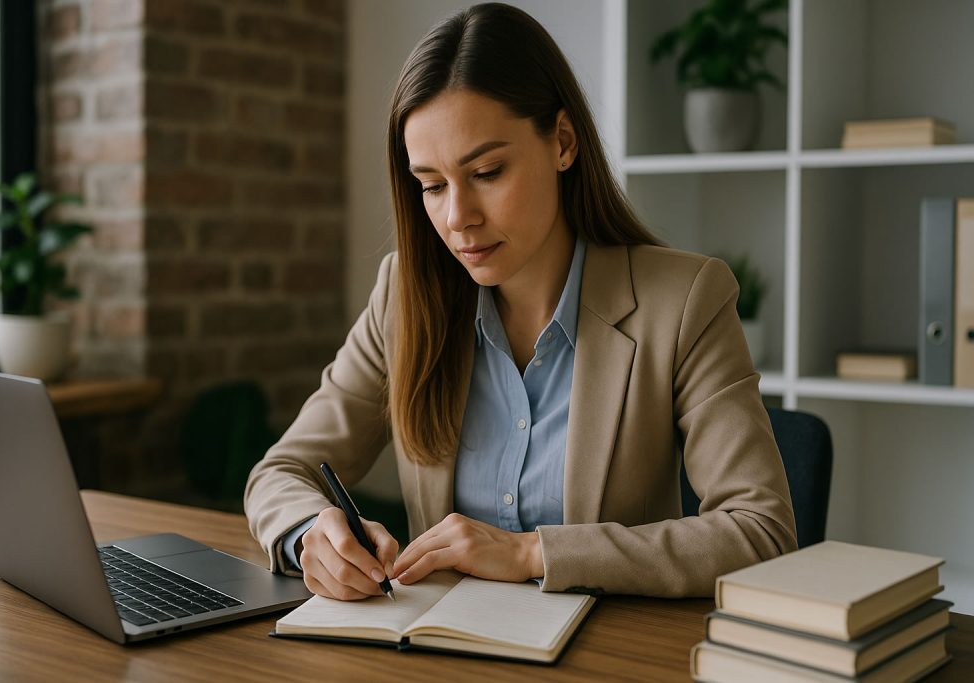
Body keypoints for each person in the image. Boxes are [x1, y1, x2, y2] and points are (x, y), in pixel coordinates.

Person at [244, 2, 796, 602]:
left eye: (486, 171)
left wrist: (531, 552)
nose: (458, 218)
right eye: (431, 185)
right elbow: (282, 472)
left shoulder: (685, 301)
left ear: (562, 141)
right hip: (443, 653)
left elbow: (761, 532)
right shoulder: (403, 299)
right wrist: (310, 535)